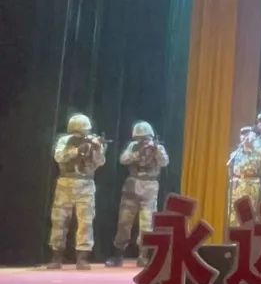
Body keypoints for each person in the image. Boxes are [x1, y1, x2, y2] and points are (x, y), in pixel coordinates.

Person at [47, 114, 106, 270]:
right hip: (65, 183)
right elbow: (59, 156)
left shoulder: (93, 141)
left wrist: (97, 149)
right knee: (59, 221)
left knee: (85, 222)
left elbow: (100, 162)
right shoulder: (64, 141)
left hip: (86, 184)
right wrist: (76, 151)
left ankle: (82, 257)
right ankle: (56, 256)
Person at [106, 121, 169, 268]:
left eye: (146, 138)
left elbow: (164, 162)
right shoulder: (132, 147)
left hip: (150, 186)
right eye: (140, 139)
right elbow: (123, 159)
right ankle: (118, 254)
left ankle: (143, 255)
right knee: (124, 222)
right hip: (132, 186)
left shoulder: (157, 147)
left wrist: (156, 151)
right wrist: (138, 153)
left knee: (147, 224)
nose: (143, 142)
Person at [227, 126, 261, 227]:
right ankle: (234, 235)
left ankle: (248, 235)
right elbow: (230, 169)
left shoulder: (259, 155)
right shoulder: (234, 154)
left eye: (247, 134)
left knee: (249, 213)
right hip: (237, 186)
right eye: (243, 135)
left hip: (251, 186)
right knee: (234, 212)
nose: (245, 137)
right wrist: (233, 180)